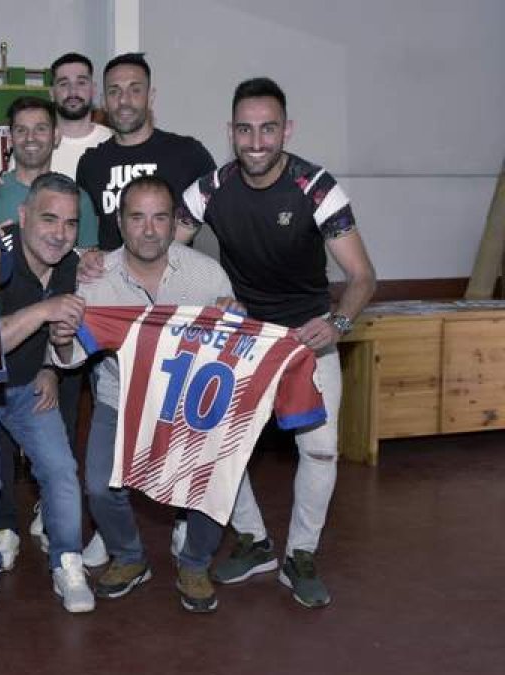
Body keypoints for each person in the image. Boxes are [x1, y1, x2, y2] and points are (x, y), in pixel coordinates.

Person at [177, 77, 376, 608]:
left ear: (286, 129)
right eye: (245, 129)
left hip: (310, 338)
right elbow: (161, 254)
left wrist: (336, 325)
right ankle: (255, 540)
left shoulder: (317, 187)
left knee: (320, 449)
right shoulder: (208, 190)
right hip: (244, 339)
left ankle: (300, 555)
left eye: (268, 129)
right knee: (221, 447)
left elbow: (362, 276)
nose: (257, 141)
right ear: (230, 132)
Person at [54, 175, 236, 613]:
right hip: (122, 399)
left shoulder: (206, 274)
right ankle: (130, 556)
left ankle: (195, 562)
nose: (149, 229)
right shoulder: (96, 281)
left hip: (191, 402)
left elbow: (232, 348)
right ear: (120, 222)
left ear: (175, 224)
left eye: (159, 218)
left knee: (215, 478)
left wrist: (233, 321)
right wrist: (62, 337)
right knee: (97, 486)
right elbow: (70, 357)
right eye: (137, 217)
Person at [0, 97, 101, 573]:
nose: (60, 232)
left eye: (68, 224)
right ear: (24, 216)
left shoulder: (69, 259)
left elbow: (66, 339)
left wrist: (54, 356)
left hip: (30, 383)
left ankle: (67, 560)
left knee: (64, 473)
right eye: (49, 220)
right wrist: (47, 312)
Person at [76, 52, 215, 250]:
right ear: (104, 101)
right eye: (114, 91)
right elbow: (86, 236)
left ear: (150, 97)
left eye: (135, 90)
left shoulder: (188, 154)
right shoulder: (90, 164)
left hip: (174, 278)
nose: (124, 100)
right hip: (111, 279)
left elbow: (226, 216)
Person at [48, 52, 113, 180]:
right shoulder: (36, 145)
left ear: (93, 89)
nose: (73, 91)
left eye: (81, 83)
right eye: (64, 84)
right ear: (51, 93)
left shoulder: (113, 142)